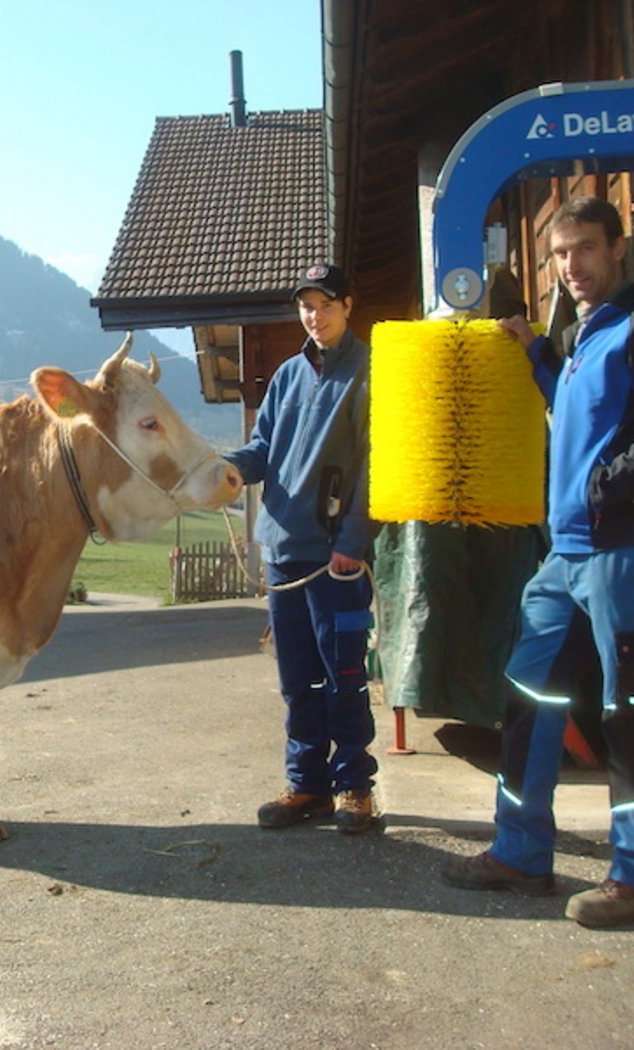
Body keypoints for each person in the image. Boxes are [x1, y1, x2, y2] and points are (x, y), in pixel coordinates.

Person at [441, 196, 634, 927]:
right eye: (561, 254)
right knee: (528, 702)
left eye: (586, 249)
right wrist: (535, 350)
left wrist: (606, 483)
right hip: (562, 557)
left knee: (629, 711)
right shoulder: (584, 337)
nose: (572, 266)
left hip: (626, 550)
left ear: (617, 248)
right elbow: (573, 404)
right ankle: (521, 854)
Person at [225, 263, 379, 834]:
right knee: (297, 679)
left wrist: (354, 540)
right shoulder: (288, 375)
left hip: (336, 557)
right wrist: (228, 469)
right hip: (283, 548)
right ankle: (306, 784)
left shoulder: (370, 372)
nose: (315, 316)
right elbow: (263, 447)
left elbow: (376, 464)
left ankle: (355, 788)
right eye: (306, 307)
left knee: (344, 673)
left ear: (348, 306)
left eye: (325, 304)